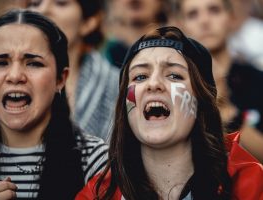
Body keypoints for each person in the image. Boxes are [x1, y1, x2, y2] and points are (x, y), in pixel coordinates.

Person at [76, 26, 263, 200]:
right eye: (140, 76)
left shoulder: (251, 186)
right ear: (124, 105)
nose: (153, 83)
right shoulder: (96, 194)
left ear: (201, 102)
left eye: (174, 75)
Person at [0, 9, 108, 199]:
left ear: (60, 79)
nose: (15, 76)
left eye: (33, 63)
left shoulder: (95, 161)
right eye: (0, 62)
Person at [174, 0, 263, 163]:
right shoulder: (172, 85)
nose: (204, 21)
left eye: (214, 10)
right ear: (181, 24)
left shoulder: (258, 81)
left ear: (231, 17)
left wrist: (226, 109)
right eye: (193, 14)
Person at [29, 0, 119, 140]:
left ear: (89, 22)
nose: (43, 10)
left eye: (60, 3)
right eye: (35, 3)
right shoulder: (5, 78)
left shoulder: (116, 85)